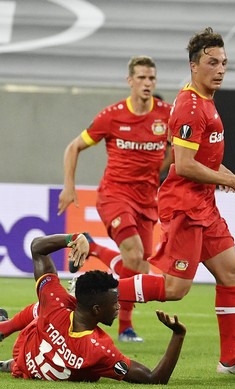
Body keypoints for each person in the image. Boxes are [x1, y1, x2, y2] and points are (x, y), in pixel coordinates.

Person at [113, 28, 235, 375]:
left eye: (224, 63)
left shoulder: (206, 102)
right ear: (194, 66)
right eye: (212, 63)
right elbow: (185, 164)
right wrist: (230, 180)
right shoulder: (191, 106)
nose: (220, 69)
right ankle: (97, 291)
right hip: (184, 207)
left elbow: (201, 159)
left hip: (204, 205)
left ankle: (230, 360)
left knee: (231, 272)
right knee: (176, 289)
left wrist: (227, 176)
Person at [59, 55, 173, 343]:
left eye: (152, 78)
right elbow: (74, 147)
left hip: (148, 199)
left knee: (138, 267)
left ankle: (94, 249)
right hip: (115, 195)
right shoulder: (112, 115)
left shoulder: (167, 115)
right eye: (142, 78)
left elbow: (181, 150)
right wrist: (69, 187)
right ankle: (114, 316)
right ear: (130, 81)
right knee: (134, 255)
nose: (147, 83)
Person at [0, 233, 186, 384]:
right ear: (97, 309)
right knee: (49, 306)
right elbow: (153, 378)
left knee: (47, 304)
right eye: (115, 302)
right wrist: (178, 335)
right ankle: (5, 333)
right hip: (29, 362)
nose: (119, 306)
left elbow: (37, 248)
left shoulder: (56, 303)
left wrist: (72, 238)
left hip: (24, 354)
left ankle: (5, 339)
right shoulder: (99, 351)